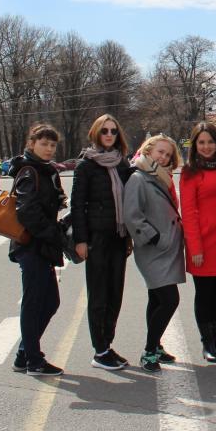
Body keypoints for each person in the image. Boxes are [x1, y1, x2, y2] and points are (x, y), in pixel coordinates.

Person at [70, 114, 134, 371]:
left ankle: (107, 344)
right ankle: (100, 350)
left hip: (118, 237)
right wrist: (81, 240)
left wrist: (128, 236)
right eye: (105, 131)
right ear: (96, 133)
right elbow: (77, 205)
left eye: (113, 131)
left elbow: (130, 202)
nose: (109, 135)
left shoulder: (122, 164)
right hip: (96, 238)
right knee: (98, 294)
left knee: (115, 294)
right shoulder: (86, 165)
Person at [9, 124, 68, 376]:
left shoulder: (46, 171)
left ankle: (24, 355)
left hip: (41, 245)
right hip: (32, 246)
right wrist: (53, 233)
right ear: (32, 143)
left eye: (52, 145)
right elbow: (26, 212)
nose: (49, 149)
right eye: (43, 143)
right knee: (34, 303)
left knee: (50, 302)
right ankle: (33, 359)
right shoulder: (29, 171)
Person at [124, 135, 186, 373]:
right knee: (170, 299)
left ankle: (156, 345)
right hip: (153, 250)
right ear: (148, 151)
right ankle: (149, 351)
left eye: (168, 155)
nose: (164, 157)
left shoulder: (160, 177)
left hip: (167, 248)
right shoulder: (139, 177)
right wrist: (154, 237)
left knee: (157, 299)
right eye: (160, 152)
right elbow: (132, 214)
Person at [179, 122, 216, 363]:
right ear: (195, 145)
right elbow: (189, 212)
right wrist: (195, 248)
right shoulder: (190, 172)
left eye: (210, 142)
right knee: (205, 296)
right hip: (203, 244)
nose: (206, 147)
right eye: (201, 142)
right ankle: (207, 343)